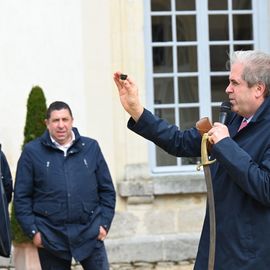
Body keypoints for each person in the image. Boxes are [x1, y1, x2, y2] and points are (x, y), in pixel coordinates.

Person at [113, 50, 270, 269]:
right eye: (228, 82)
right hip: (216, 249)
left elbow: (265, 187)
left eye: (235, 82)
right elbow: (179, 141)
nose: (227, 89)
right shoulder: (233, 120)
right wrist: (137, 110)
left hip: (251, 259)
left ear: (258, 89)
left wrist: (226, 146)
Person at [14, 101, 116, 270]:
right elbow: (21, 197)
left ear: (72, 121)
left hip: (90, 233)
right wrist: (34, 233)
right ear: (47, 123)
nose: (61, 125)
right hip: (50, 237)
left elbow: (107, 190)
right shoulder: (32, 153)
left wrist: (103, 225)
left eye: (65, 119)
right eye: (55, 120)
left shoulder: (91, 148)